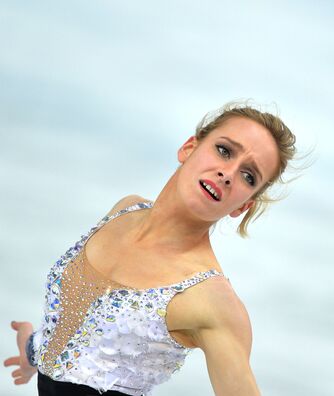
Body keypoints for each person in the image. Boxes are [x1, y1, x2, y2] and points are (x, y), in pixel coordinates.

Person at [4, 102, 297, 396]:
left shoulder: (214, 302)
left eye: (249, 176)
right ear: (189, 148)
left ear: (243, 206)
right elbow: (88, 339)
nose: (228, 173)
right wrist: (33, 351)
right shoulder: (124, 210)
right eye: (224, 150)